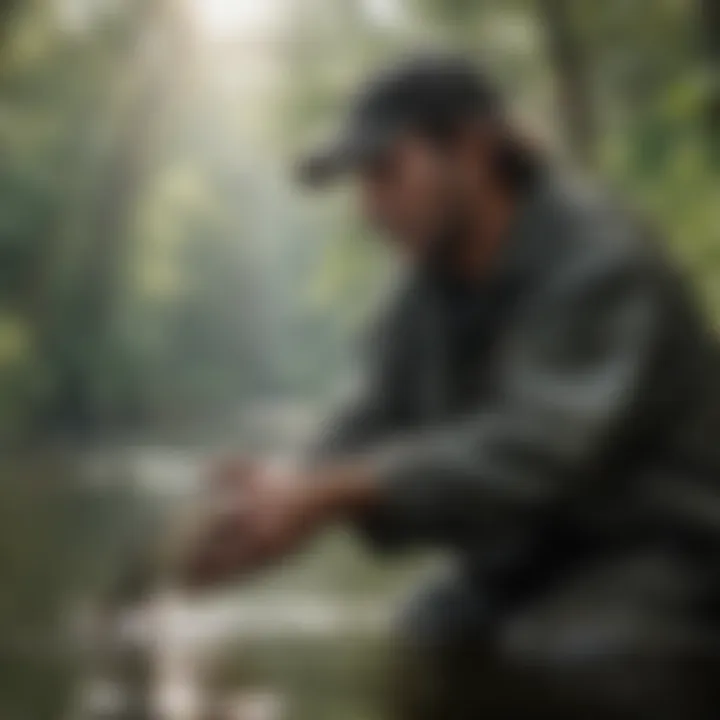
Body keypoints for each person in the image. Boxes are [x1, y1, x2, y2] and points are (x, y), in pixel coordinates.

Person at [182, 54, 720, 719]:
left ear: (471, 150)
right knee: (426, 634)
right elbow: (373, 420)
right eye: (361, 183)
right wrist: (281, 506)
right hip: (529, 560)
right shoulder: (425, 292)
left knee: (570, 652)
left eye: (386, 172)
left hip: (670, 553)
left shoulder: (603, 266)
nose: (369, 207)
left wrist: (332, 492)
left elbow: (533, 450)